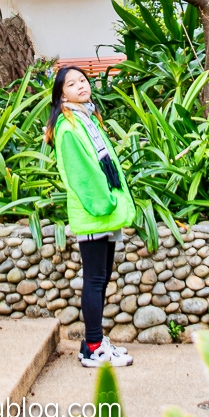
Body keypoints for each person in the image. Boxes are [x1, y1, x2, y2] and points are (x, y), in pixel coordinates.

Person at [46, 65, 136, 367]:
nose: (81, 86)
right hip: (94, 211)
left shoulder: (86, 118)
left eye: (83, 80)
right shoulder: (67, 127)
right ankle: (94, 348)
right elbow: (81, 174)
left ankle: (93, 342)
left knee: (101, 278)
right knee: (95, 280)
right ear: (62, 94)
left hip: (103, 212)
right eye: (72, 84)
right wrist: (106, 202)